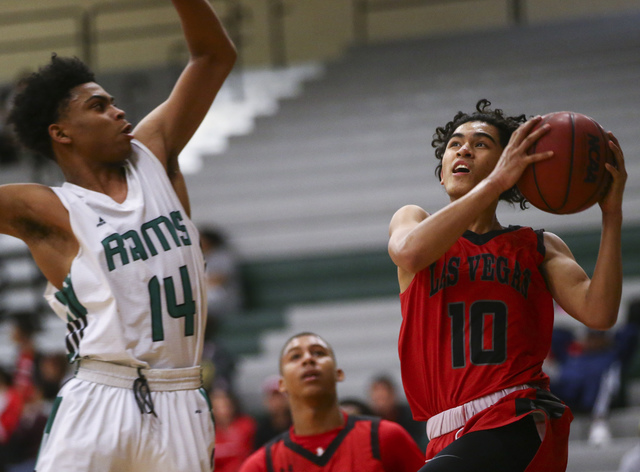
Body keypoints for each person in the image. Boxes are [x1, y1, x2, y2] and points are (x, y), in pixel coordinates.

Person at [3, 0, 236, 470]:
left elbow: (214, 57)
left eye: (111, 101)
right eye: (99, 106)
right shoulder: (50, 209)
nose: (118, 110)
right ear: (61, 133)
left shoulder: (154, 152)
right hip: (101, 393)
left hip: (182, 397)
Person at [388, 99, 626, 471]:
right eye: (455, 143)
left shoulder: (538, 245)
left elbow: (599, 313)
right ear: (442, 173)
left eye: (481, 143)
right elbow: (408, 253)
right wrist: (495, 181)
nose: (464, 148)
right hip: (445, 431)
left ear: (511, 166)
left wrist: (612, 216)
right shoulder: (412, 220)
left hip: (515, 416)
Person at [239, 332, 426, 472]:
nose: (308, 359)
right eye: (295, 356)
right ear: (282, 384)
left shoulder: (387, 437)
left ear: (339, 374)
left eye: (318, 353)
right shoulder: (260, 466)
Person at [368, 373, 428, 451]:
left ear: (393, 396)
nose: (381, 404)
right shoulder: (368, 420)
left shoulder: (412, 417)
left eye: (384, 398)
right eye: (377, 399)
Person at [212, 387, 257, 472]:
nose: (222, 411)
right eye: (218, 407)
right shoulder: (209, 432)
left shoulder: (246, 425)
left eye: (225, 406)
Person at [252, 374, 292, 449]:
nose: (277, 402)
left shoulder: (298, 424)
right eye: (273, 397)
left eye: (280, 396)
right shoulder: (261, 429)